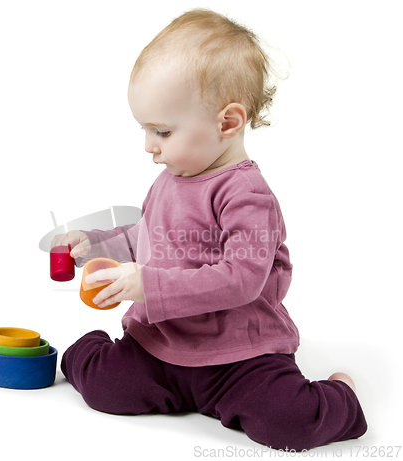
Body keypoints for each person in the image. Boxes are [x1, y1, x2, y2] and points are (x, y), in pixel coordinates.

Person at [51, 8, 367, 451]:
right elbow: (148, 237)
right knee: (106, 387)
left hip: (239, 355)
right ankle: (90, 350)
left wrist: (148, 286)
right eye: (144, 129)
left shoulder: (247, 195)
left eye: (161, 130)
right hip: (161, 343)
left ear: (228, 123)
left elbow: (241, 279)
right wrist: (95, 246)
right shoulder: (171, 179)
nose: (148, 146)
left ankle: (340, 396)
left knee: (288, 423)